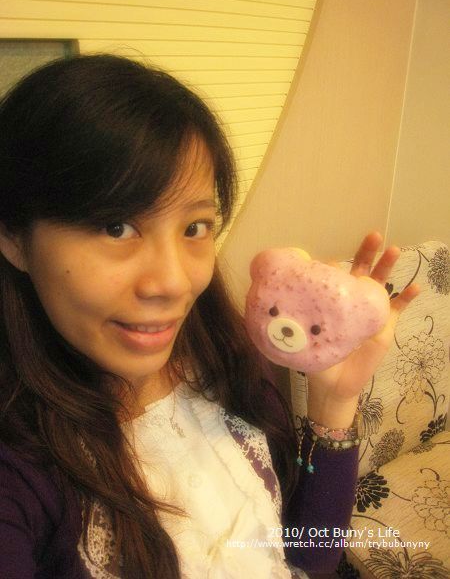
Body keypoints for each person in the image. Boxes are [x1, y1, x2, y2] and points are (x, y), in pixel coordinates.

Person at [0, 54, 419, 579]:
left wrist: (333, 401)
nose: (175, 283)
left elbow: (307, 558)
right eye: (115, 227)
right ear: (14, 237)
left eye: (194, 227)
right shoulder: (20, 470)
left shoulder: (221, 356)